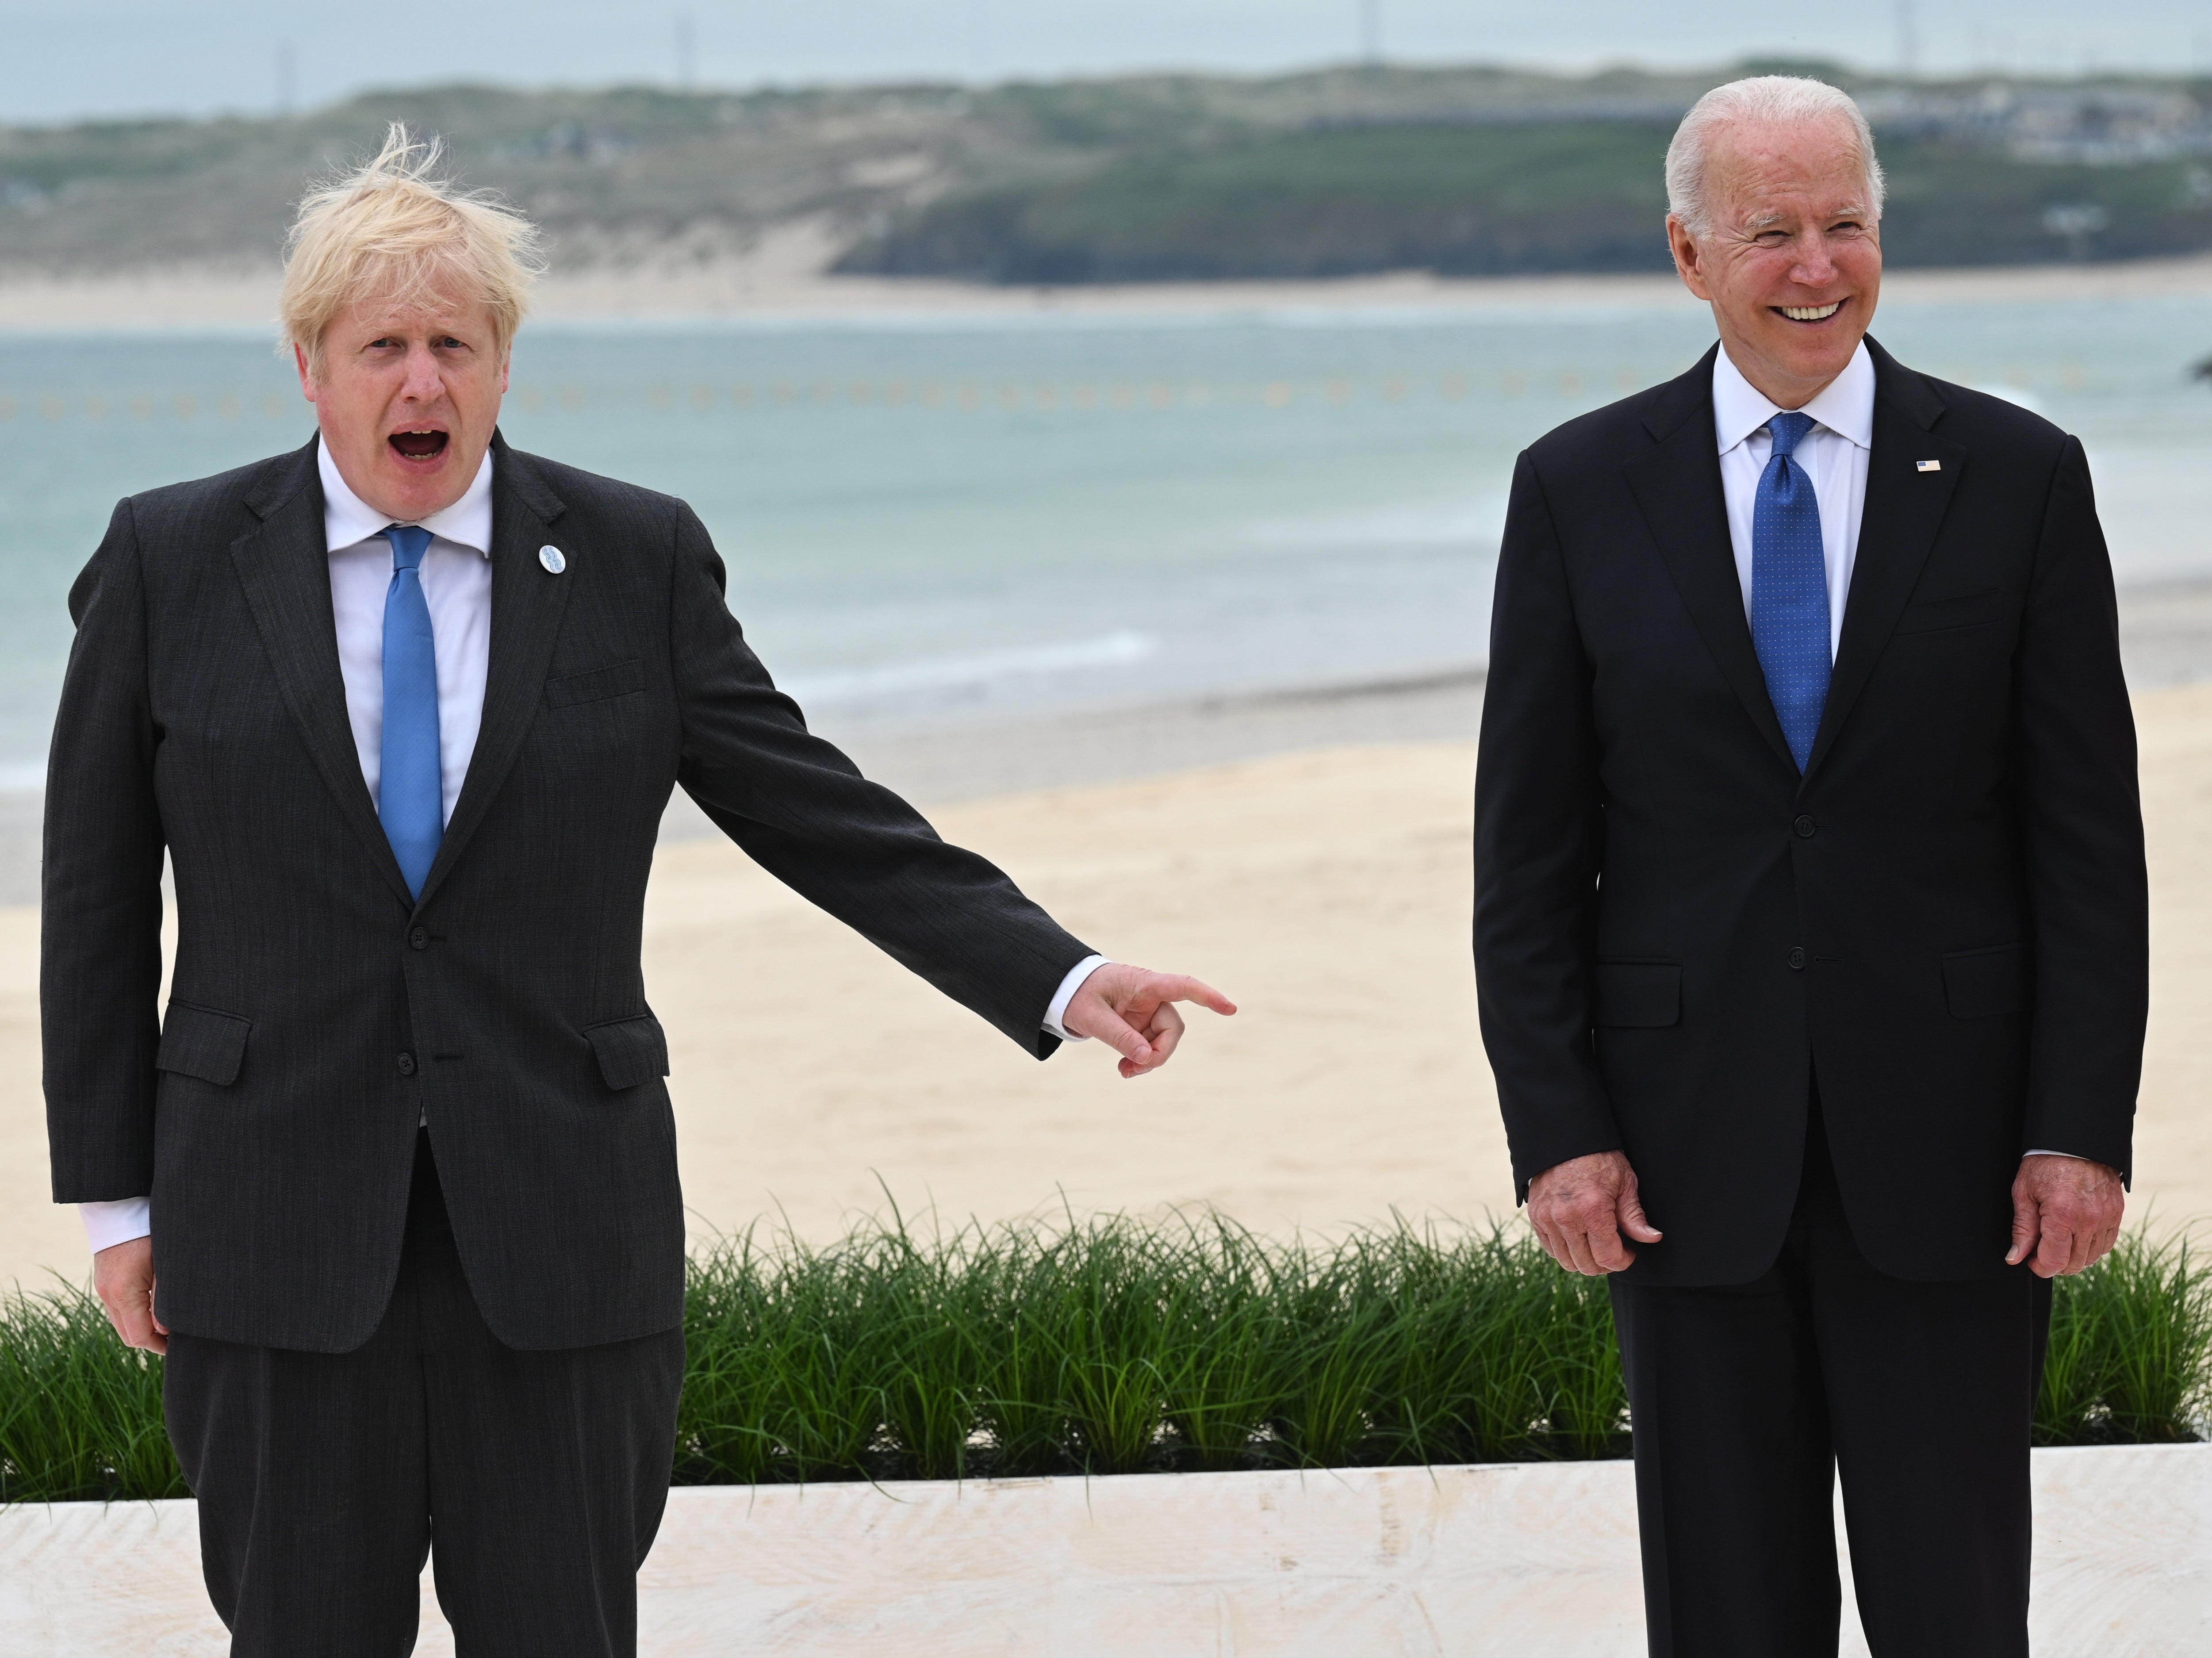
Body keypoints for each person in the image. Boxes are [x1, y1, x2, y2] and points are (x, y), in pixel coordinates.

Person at [43, 127, 1233, 1658]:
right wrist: (118, 1202)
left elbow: (820, 814)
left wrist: (1063, 977)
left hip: (559, 1222)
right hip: (266, 1218)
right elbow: (91, 902)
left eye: (455, 346)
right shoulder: (169, 558)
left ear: (504, 364)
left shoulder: (626, 555)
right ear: (309, 365)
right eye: (384, 347)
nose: (423, 385)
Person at [1473, 77, 2145, 1656]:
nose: (1815, 265)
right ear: (1686, 253)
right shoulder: (1578, 487)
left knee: (1955, 1604)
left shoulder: (2017, 474)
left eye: (1845, 225)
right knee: (1723, 1608)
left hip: (1959, 1148)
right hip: (1677, 1149)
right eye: (1769, 230)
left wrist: (2075, 1128)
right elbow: (1527, 853)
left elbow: (2085, 851)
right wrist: (1555, 1129)